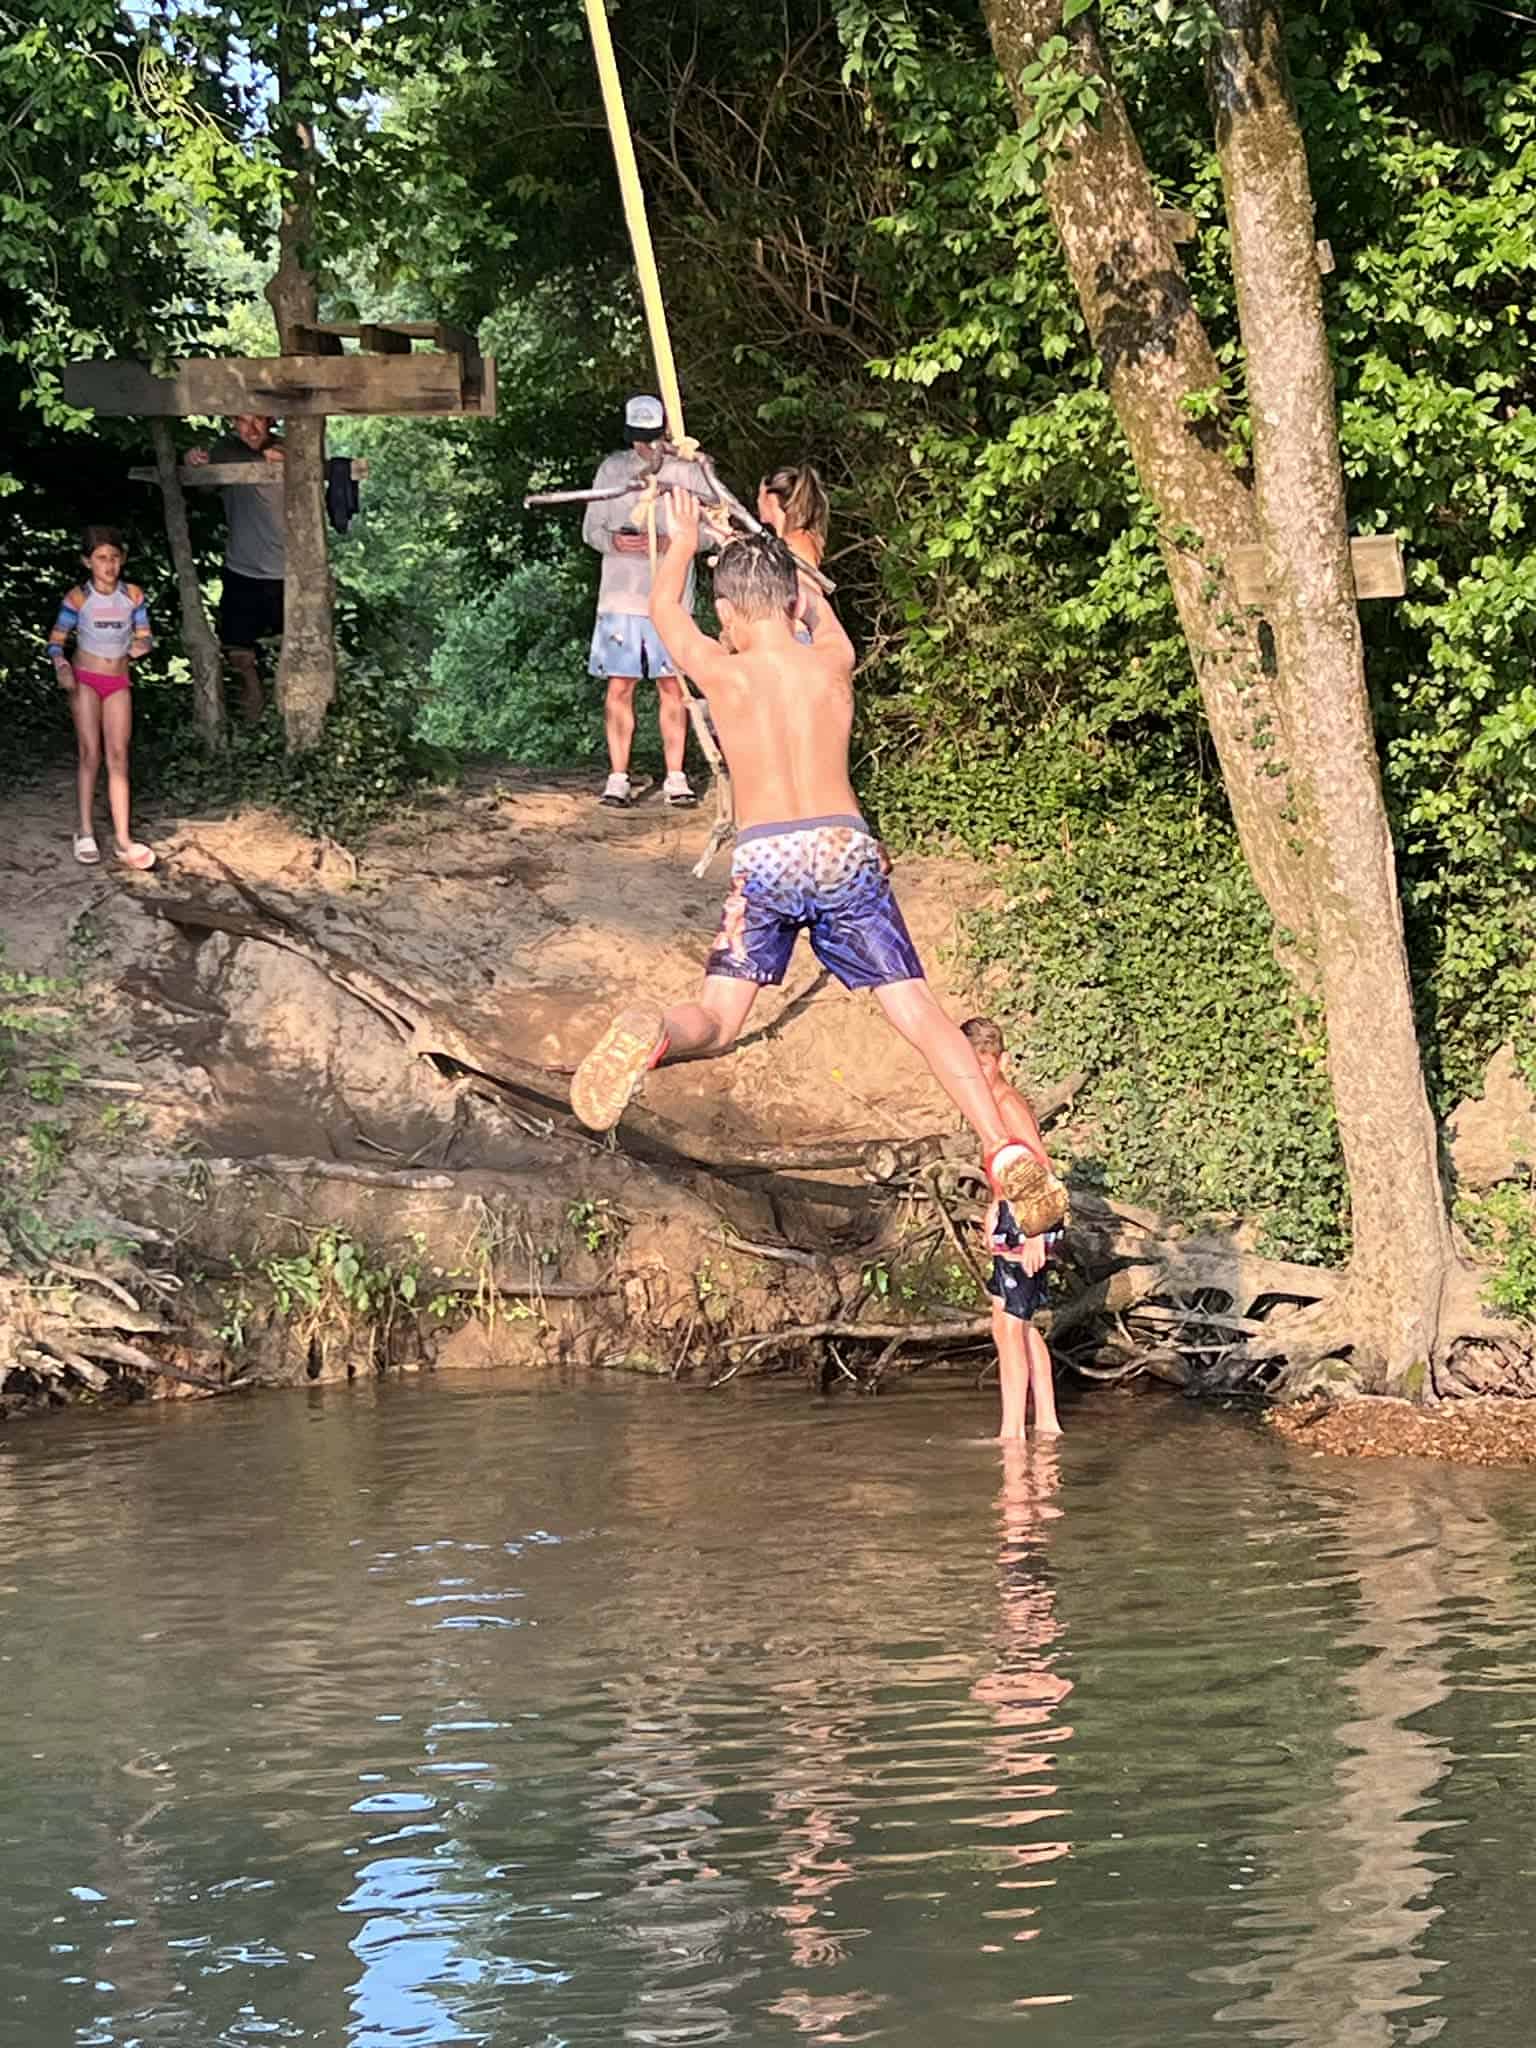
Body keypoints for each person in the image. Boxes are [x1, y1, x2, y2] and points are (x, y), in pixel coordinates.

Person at [569, 486, 1053, 1210]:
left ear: (727, 616)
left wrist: (681, 535)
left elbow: (665, 610)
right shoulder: (832, 660)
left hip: (766, 857)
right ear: (795, 604)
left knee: (721, 1019)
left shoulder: (722, 670)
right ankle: (1002, 1145)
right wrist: (785, 561)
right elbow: (814, 603)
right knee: (918, 1012)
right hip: (843, 848)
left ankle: (658, 1033)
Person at [582, 394, 702, 809]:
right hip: (621, 596)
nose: (645, 446)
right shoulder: (612, 470)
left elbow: (712, 530)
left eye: (651, 437)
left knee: (674, 685)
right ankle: (618, 776)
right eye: (639, 438)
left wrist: (678, 541)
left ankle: (676, 774)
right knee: (620, 685)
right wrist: (614, 540)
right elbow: (590, 530)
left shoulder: (688, 472)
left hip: (671, 596)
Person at [962, 1016, 1063, 1442]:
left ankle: (1011, 1436)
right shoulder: (985, 1101)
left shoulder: (1004, 1101)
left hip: (1032, 1215)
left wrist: (1037, 1232)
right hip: (1014, 1211)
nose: (980, 1073)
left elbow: (1040, 1163)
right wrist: (993, 1206)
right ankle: (1047, 1423)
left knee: (1007, 1327)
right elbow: (1006, 1163)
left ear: (1001, 1061)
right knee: (1017, 1323)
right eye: (972, 1065)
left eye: (986, 1064)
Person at [47, 526, 156, 870]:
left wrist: (143, 645)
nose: (108, 565)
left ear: (122, 560)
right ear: (87, 562)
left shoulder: (134, 595)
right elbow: (56, 641)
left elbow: (145, 636)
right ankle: (85, 830)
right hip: (86, 679)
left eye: (113, 558)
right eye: (100, 558)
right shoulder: (78, 598)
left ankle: (123, 839)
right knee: (90, 752)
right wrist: (62, 666)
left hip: (118, 680)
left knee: (119, 755)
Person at [185, 413, 284, 723]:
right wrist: (194, 463)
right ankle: (253, 707)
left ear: (271, 420)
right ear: (231, 422)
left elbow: (318, 467)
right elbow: (203, 489)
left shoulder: (292, 445)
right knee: (237, 645)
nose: (251, 428)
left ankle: (285, 715)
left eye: (258, 419)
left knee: (291, 644)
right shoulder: (225, 450)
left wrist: (289, 462)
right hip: (242, 566)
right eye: (242, 420)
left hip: (289, 571)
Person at [757, 463, 830, 573]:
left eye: (760, 494)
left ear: (771, 498)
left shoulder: (795, 544)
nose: (757, 501)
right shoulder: (805, 539)